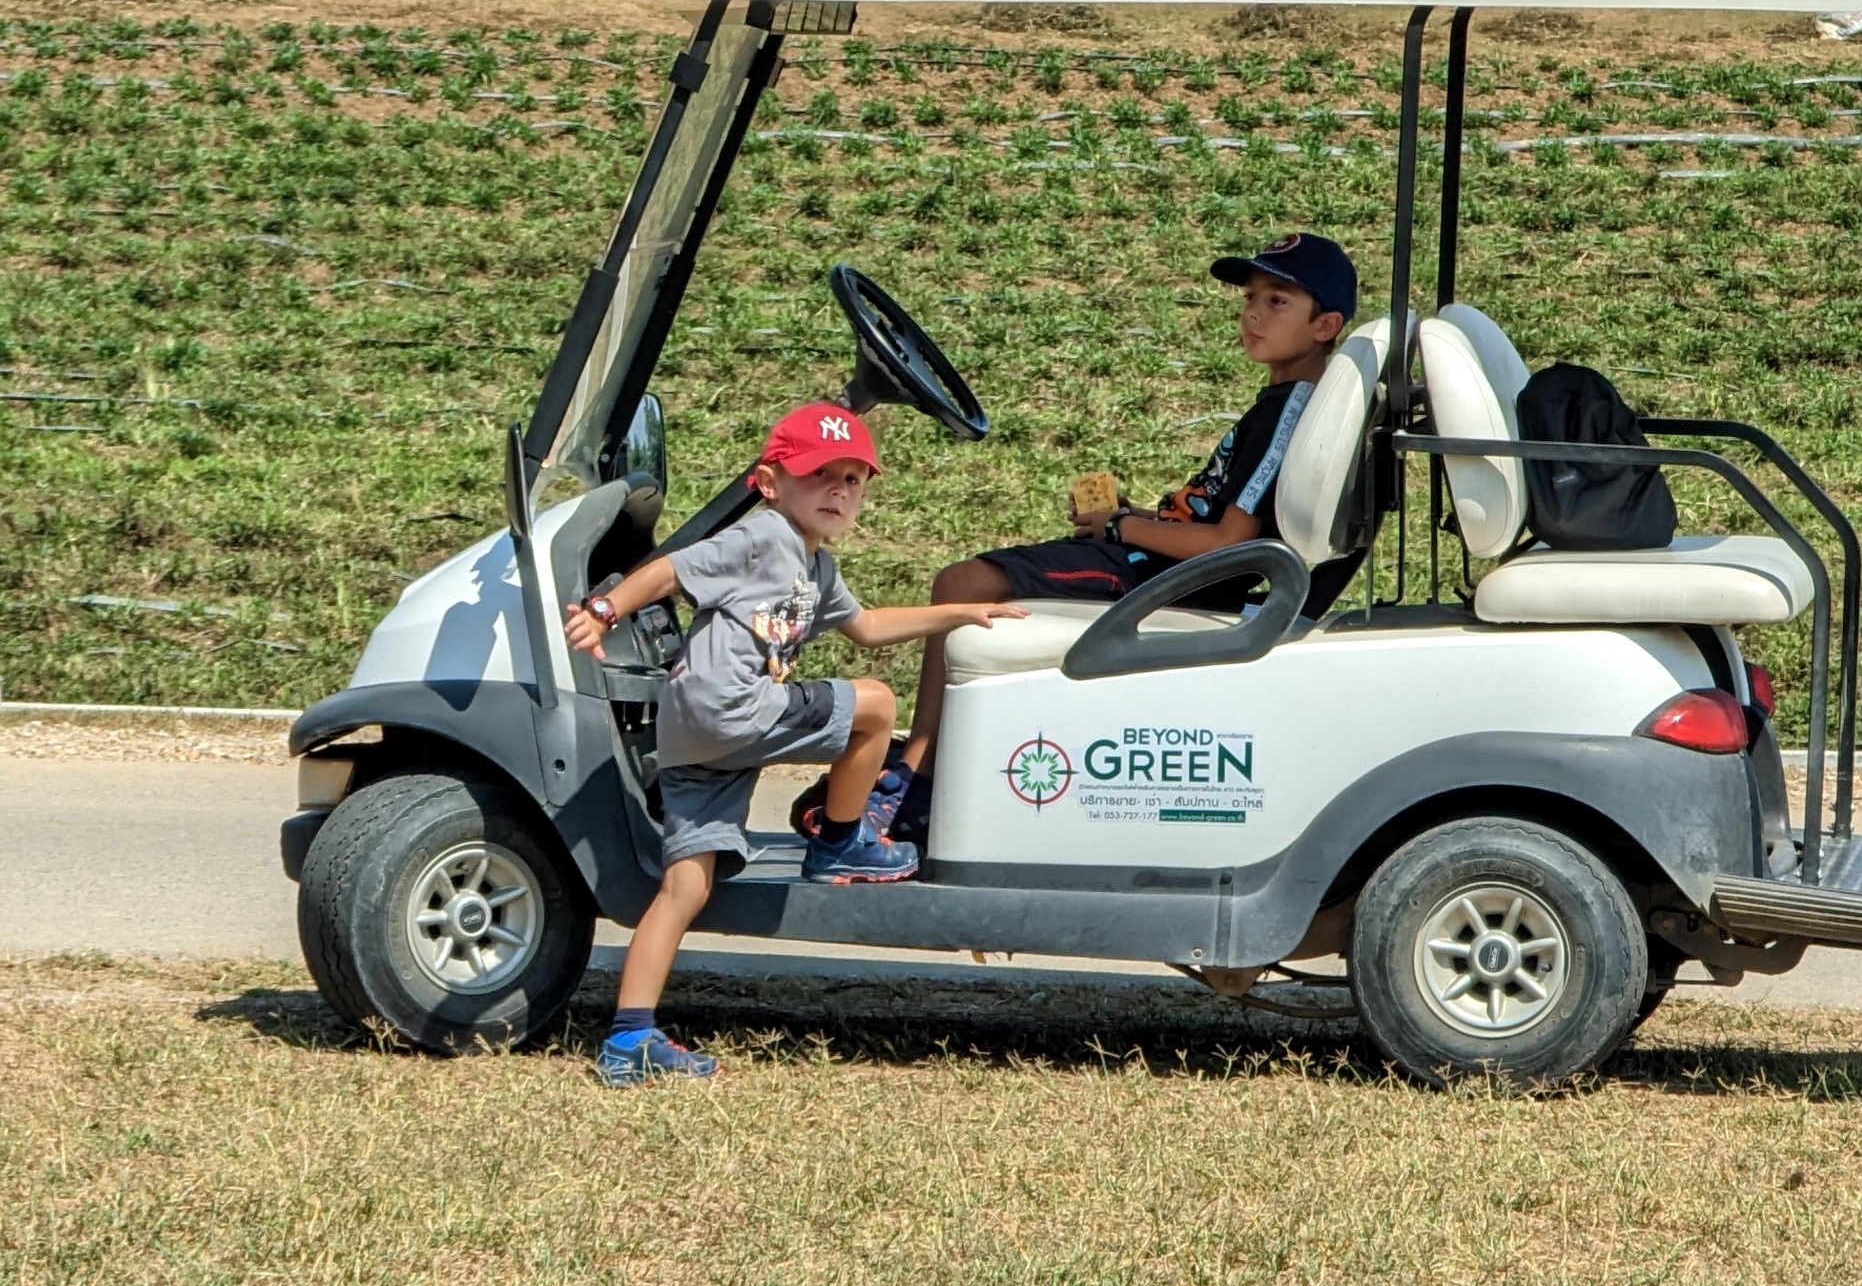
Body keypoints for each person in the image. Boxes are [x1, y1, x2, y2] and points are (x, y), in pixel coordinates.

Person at [560, 400, 1028, 1085]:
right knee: (876, 704)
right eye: (819, 475)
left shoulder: (817, 570)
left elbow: (867, 626)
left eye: (852, 480)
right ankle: (840, 843)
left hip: (695, 736)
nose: (838, 491)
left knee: (685, 887)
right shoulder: (762, 537)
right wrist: (604, 611)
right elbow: (671, 571)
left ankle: (629, 1037)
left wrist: (958, 611)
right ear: (769, 483)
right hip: (730, 706)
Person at [883, 229, 1363, 844]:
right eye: (1249, 297)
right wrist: (1135, 519)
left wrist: (1123, 526)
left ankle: (916, 779)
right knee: (968, 582)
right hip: (1159, 560)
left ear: (1325, 326)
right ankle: (925, 767)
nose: (1252, 313)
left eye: (1277, 301)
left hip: (1173, 582)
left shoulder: (1289, 410)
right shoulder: (1280, 401)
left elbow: (1229, 545)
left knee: (961, 583)